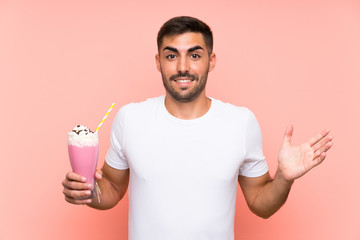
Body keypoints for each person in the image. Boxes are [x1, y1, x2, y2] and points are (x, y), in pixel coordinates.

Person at [62, 16, 333, 239]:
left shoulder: (241, 123)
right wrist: (86, 192)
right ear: (158, 62)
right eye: (171, 56)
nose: (182, 67)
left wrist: (285, 178)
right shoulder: (130, 118)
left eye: (194, 55)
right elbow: (111, 190)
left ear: (211, 61)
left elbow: (261, 205)